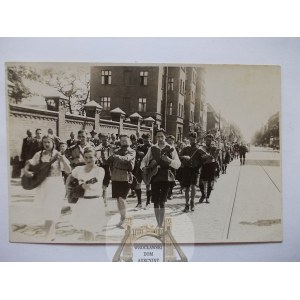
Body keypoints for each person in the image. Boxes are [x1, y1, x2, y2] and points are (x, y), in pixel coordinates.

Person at [23, 135, 71, 241]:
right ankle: (51, 234)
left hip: (56, 185)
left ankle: (46, 236)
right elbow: (29, 163)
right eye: (44, 142)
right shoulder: (38, 154)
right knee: (46, 210)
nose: (46, 144)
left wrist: (62, 159)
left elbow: (68, 170)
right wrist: (26, 171)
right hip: (43, 185)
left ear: (53, 143)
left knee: (52, 209)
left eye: (48, 142)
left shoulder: (58, 155)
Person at [141, 129, 181, 228]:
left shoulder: (171, 148)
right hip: (154, 177)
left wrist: (169, 160)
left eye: (162, 136)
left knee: (162, 201)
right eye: (158, 136)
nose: (160, 139)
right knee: (155, 201)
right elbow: (144, 160)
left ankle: (160, 223)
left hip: (166, 177)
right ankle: (158, 222)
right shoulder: (152, 148)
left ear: (165, 137)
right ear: (155, 137)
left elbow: (178, 164)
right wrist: (144, 168)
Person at [69, 147, 106, 241]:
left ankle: (90, 249)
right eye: (86, 157)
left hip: (94, 202)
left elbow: (95, 184)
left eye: (90, 157)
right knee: (85, 229)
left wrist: (84, 185)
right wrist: (70, 190)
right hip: (82, 202)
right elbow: (69, 177)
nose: (88, 160)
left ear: (96, 158)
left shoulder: (100, 170)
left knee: (91, 229)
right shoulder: (79, 169)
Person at [107, 134, 136, 228]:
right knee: (118, 200)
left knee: (122, 199)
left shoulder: (132, 151)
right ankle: (122, 218)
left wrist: (115, 156)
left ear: (130, 142)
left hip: (125, 177)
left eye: (125, 140)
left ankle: (125, 219)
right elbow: (108, 162)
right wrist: (108, 156)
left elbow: (126, 159)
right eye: (122, 140)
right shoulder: (117, 151)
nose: (123, 142)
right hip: (115, 176)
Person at [179, 132, 207, 212]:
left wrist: (199, 164)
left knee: (194, 186)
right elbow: (179, 156)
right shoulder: (185, 148)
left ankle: (192, 202)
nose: (192, 141)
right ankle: (187, 204)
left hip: (195, 170)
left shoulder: (199, 149)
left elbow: (204, 159)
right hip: (186, 169)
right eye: (191, 139)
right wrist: (184, 157)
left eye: (194, 139)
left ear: (196, 139)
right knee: (187, 188)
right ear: (189, 139)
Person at [198, 134, 216, 204]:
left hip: (211, 165)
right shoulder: (202, 147)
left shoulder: (214, 148)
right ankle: (203, 195)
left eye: (210, 140)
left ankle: (207, 197)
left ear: (212, 140)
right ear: (205, 140)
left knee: (210, 182)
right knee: (200, 182)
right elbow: (199, 156)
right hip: (204, 165)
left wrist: (209, 156)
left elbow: (214, 156)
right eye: (207, 140)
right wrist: (203, 157)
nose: (209, 141)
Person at [138, 133, 153, 209]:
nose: (145, 143)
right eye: (144, 141)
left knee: (148, 184)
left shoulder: (153, 147)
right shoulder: (141, 147)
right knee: (140, 184)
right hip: (142, 168)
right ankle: (139, 202)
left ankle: (148, 202)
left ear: (150, 139)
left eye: (147, 141)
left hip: (150, 168)